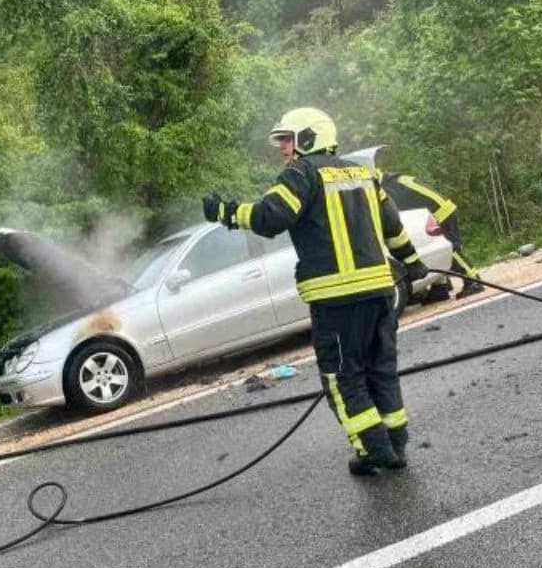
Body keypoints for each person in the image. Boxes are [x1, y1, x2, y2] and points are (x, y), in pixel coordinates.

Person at [202, 107, 428, 476]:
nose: (283, 150)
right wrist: (412, 261)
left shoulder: (302, 173)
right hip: (381, 293)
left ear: (309, 138)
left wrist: (224, 212)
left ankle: (374, 450)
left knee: (342, 378)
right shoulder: (363, 173)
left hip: (336, 302)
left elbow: (268, 218)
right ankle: (397, 445)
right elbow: (393, 227)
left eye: (287, 140)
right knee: (381, 370)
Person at [377, 170, 484, 300]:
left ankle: (473, 280)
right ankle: (440, 288)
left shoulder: (392, 187)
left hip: (440, 212)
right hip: (434, 211)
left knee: (449, 249)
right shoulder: (394, 181)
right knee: (434, 245)